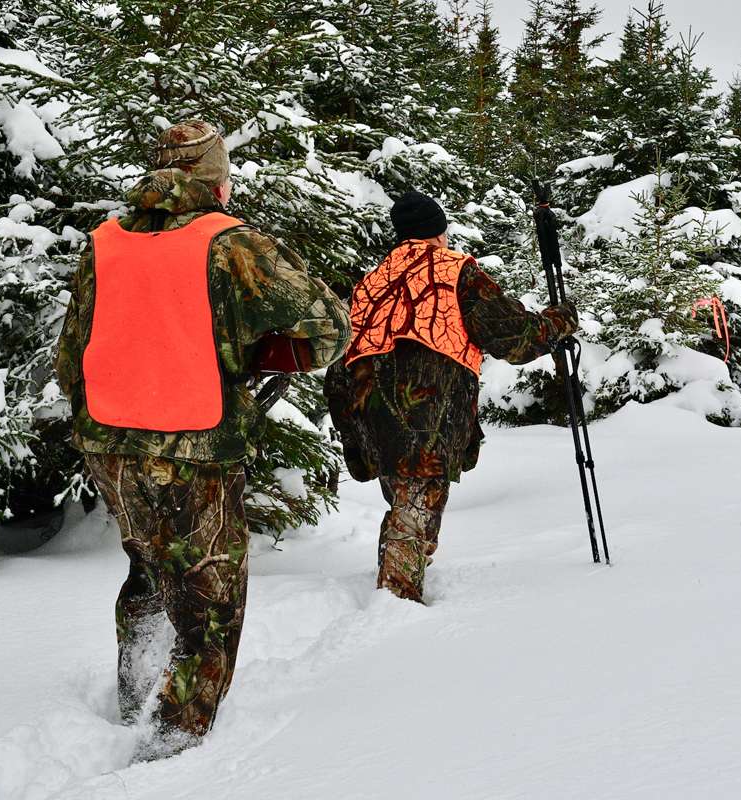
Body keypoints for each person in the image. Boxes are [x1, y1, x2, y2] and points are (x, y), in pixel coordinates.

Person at [55, 120, 351, 750]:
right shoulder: (232, 243)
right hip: (195, 441)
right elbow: (328, 327)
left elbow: (69, 354)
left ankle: (135, 690)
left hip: (107, 438)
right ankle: (172, 746)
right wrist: (265, 354)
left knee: (147, 563)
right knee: (210, 601)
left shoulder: (103, 242)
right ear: (217, 179)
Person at [325, 191, 578, 604]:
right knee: (416, 500)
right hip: (423, 397)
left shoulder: (373, 278)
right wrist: (559, 321)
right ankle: (393, 605)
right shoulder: (452, 268)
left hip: (360, 396)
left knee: (407, 499)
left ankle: (396, 586)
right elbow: (513, 337)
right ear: (439, 233)